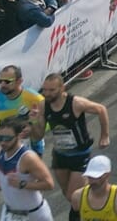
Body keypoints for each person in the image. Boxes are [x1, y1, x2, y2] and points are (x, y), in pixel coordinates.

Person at [29, 73, 110, 202]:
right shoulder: (43, 105)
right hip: (60, 155)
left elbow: (101, 109)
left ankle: (97, 204)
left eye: (51, 90)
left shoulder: (75, 103)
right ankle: (90, 203)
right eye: (44, 90)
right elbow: (38, 137)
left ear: (62, 88)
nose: (47, 94)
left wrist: (104, 136)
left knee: (73, 196)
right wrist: (33, 122)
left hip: (80, 155)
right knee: (67, 193)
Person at [0, 117, 55, 221]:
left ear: (19, 136)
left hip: (33, 215)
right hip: (9, 213)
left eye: (7, 138)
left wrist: (22, 184)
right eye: (0, 138)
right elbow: (9, 174)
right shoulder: (0, 151)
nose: (3, 142)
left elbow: (49, 184)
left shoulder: (28, 158)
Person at [68, 155, 117, 221]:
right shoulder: (78, 196)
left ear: (107, 175)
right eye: (90, 176)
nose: (92, 181)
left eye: (96, 177)